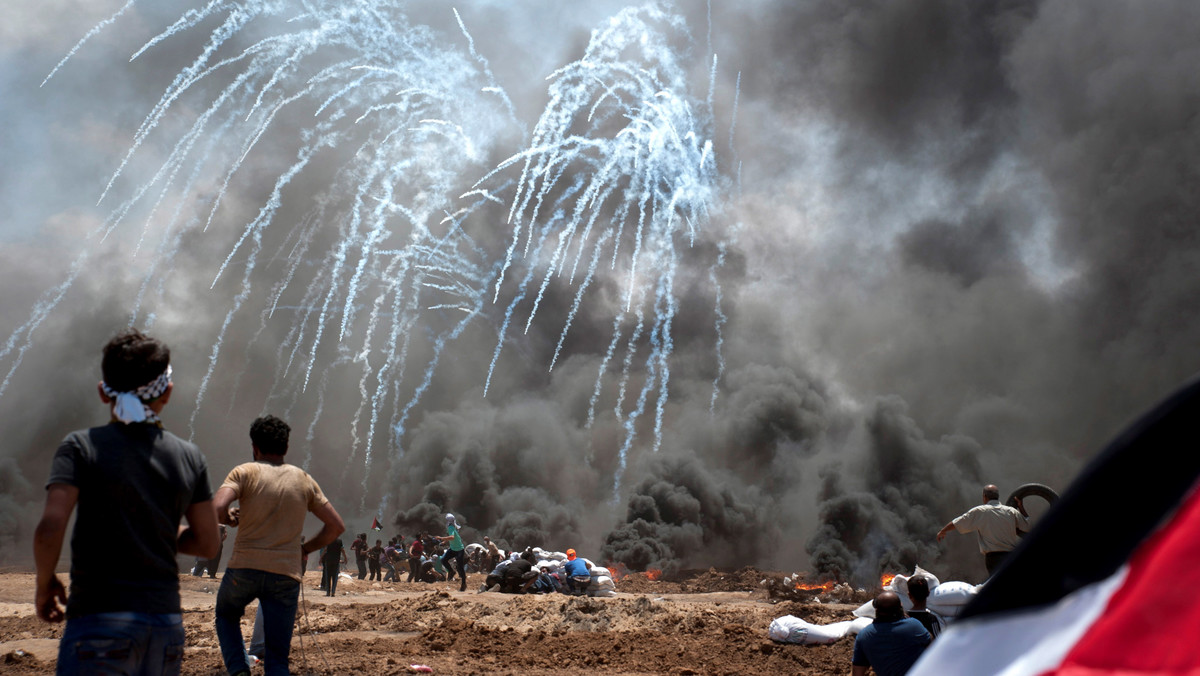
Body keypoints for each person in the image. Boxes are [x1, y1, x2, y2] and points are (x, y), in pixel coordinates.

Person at [33, 329, 220, 675]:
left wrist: (45, 583)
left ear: (103, 392)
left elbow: (50, 526)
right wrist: (159, 532)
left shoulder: (80, 447)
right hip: (164, 624)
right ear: (167, 392)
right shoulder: (189, 457)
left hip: (99, 619)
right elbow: (208, 543)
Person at [212, 415, 345, 676]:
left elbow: (217, 507)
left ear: (255, 447)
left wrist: (228, 519)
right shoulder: (303, 479)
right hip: (285, 574)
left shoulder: (244, 471)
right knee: (278, 658)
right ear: (285, 447)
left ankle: (239, 669)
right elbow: (336, 526)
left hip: (244, 568)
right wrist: (305, 550)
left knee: (226, 615)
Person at [937, 484, 1030, 576]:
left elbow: (958, 522)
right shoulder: (1011, 511)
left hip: (994, 559)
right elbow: (1026, 526)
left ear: (984, 496)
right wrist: (1021, 507)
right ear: (997, 496)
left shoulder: (980, 511)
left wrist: (943, 530)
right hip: (1012, 557)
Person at [851, 591, 932, 676]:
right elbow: (932, 643)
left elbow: (857, 673)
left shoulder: (864, 635)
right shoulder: (914, 626)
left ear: (876, 609)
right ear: (901, 606)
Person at [905, 575, 944, 640]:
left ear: (909, 595)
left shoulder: (905, 618)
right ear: (928, 593)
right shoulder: (932, 619)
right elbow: (937, 641)